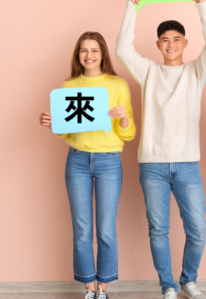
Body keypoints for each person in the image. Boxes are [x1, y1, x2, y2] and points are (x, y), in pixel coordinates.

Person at [115, 0, 206, 299]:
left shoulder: (195, 72)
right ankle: (168, 286)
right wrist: (131, 7)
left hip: (187, 163)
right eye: (165, 39)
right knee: (158, 230)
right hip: (153, 165)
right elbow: (122, 49)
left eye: (176, 39)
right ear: (158, 44)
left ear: (185, 43)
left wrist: (202, 4)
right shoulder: (148, 71)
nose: (171, 43)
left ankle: (188, 280)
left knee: (197, 231)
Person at [39, 31, 136, 299]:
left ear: (103, 53)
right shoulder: (69, 86)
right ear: (78, 55)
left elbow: (127, 133)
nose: (89, 55)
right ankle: (88, 287)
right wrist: (52, 123)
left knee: (106, 227)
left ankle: (103, 287)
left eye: (94, 50)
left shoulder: (118, 85)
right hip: (77, 160)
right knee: (82, 228)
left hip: (109, 161)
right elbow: (67, 132)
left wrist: (124, 118)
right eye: (84, 50)